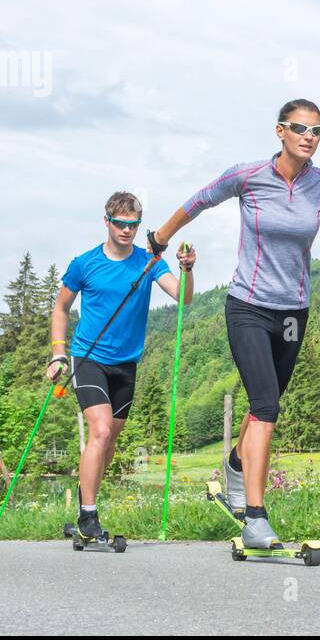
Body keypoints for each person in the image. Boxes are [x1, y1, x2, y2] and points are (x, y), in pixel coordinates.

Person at [148, 99, 320, 548]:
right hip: (248, 307)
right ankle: (256, 517)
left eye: (317, 130)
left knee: (263, 405)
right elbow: (199, 200)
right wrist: (161, 236)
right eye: (300, 128)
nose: (309, 136)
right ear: (280, 131)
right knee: (266, 406)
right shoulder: (248, 176)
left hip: (294, 314)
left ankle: (235, 467)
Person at [47, 191, 196, 540]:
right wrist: (57, 352)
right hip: (88, 358)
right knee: (98, 432)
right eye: (120, 223)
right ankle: (88, 515)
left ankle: (86, 505)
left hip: (126, 364)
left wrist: (188, 269)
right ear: (107, 222)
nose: (127, 230)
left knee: (109, 442)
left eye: (133, 224)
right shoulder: (85, 264)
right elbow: (60, 309)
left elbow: (184, 298)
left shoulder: (148, 261)